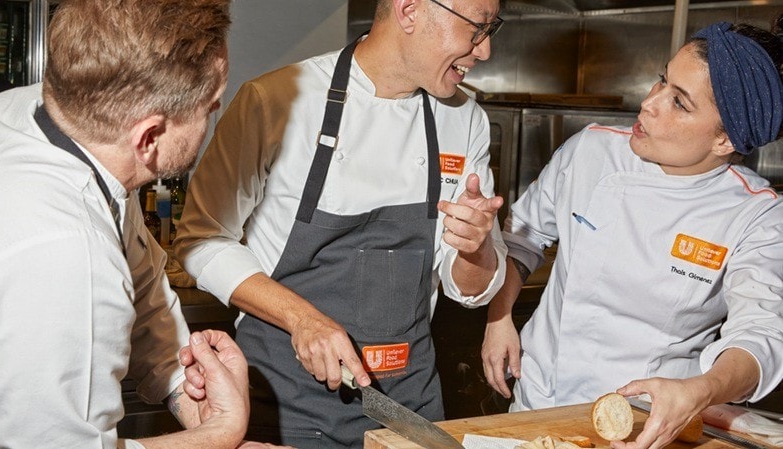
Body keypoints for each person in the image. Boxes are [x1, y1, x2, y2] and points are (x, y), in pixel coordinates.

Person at [0, 1, 250, 448]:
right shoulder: (62, 248)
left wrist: (186, 388)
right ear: (149, 136)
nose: (215, 110)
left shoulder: (31, 114)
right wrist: (222, 433)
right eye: (209, 106)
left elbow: (143, 281)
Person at [174, 0, 508, 446]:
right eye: (477, 28)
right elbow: (202, 240)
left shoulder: (465, 120)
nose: (484, 52)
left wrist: (476, 248)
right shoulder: (277, 101)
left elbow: (468, 289)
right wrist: (302, 319)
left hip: (406, 405)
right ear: (409, 12)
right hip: (286, 405)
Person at [481, 16, 783, 449]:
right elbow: (523, 237)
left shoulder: (757, 215)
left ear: (725, 141)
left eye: (679, 102)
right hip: (538, 403)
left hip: (649, 425)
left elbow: (762, 335)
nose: (649, 103)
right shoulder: (591, 150)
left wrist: (702, 390)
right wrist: (499, 317)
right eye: (662, 81)